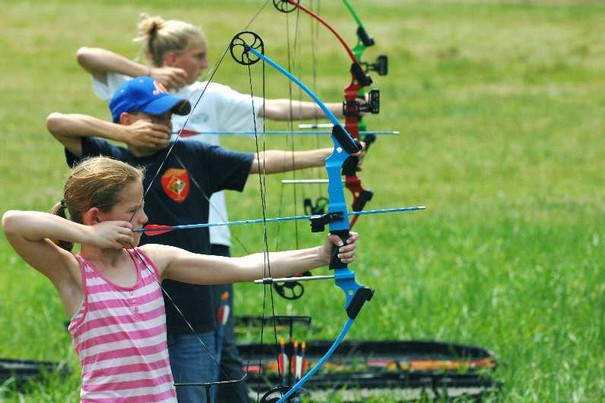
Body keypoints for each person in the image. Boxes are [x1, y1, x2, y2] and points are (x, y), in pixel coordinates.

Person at [75, 13, 349, 403]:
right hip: (127, 323)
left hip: (193, 305)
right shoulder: (109, 162)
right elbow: (59, 122)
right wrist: (122, 136)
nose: (167, 122)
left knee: (205, 379)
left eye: (171, 114)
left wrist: (332, 156)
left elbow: (258, 169)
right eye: (157, 115)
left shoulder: (189, 161)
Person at [1, 156, 358, 403]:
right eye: (133, 210)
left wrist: (320, 255)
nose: (145, 216)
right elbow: (13, 223)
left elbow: (243, 267)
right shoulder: (74, 274)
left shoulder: (153, 261)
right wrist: (89, 236)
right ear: (96, 217)